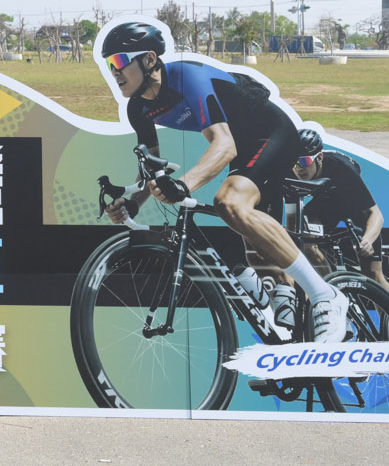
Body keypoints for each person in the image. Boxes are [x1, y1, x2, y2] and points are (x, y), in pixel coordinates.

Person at [98, 21, 351, 344]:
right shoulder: (138, 107)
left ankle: (325, 295)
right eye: (109, 64)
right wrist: (133, 203)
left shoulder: (187, 78)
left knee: (229, 202)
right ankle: (281, 305)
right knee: (243, 231)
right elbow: (151, 166)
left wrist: (184, 185)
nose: (114, 72)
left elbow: (224, 144)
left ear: (149, 59)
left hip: (272, 132)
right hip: (244, 144)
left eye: (120, 61)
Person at [291, 130, 389, 295]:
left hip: (352, 205)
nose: (299, 168)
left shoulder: (342, 168)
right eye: (294, 162)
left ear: (319, 157)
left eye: (304, 161)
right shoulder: (292, 169)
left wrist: (367, 240)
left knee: (373, 274)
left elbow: (375, 214)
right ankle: (333, 293)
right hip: (325, 204)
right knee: (307, 240)